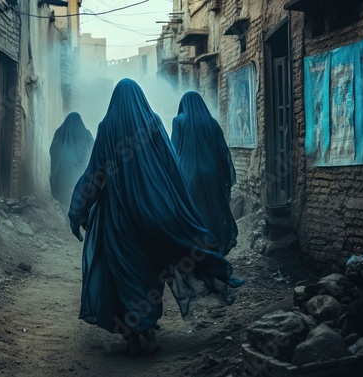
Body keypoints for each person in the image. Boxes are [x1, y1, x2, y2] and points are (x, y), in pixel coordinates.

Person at [68, 79, 243, 355]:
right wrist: (175, 205)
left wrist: (79, 207)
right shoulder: (153, 122)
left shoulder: (106, 127)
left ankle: (134, 336)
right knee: (149, 271)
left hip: (118, 218)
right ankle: (147, 329)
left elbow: (96, 172)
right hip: (151, 211)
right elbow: (172, 166)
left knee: (124, 271)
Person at [172, 91, 238, 256]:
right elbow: (223, 152)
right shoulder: (212, 123)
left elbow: (173, 150)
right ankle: (213, 248)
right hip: (212, 175)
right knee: (212, 210)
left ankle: (195, 250)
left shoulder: (178, 121)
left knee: (192, 212)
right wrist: (226, 179)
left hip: (187, 176)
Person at [49, 112, 94, 215]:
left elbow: (53, 153)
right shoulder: (86, 135)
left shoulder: (59, 133)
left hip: (63, 179)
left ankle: (67, 221)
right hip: (81, 179)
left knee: (65, 204)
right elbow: (93, 154)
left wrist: (55, 174)